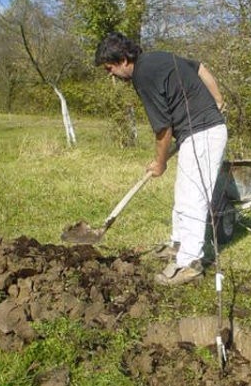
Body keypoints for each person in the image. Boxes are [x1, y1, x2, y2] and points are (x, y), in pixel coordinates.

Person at [95, 32, 228, 286]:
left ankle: (190, 262)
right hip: (196, 132)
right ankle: (178, 245)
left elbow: (163, 129)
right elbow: (200, 68)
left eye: (110, 68)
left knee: (193, 198)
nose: (110, 74)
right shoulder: (160, 58)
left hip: (203, 133)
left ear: (123, 60)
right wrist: (218, 99)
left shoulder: (143, 77)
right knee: (183, 193)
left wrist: (161, 162)